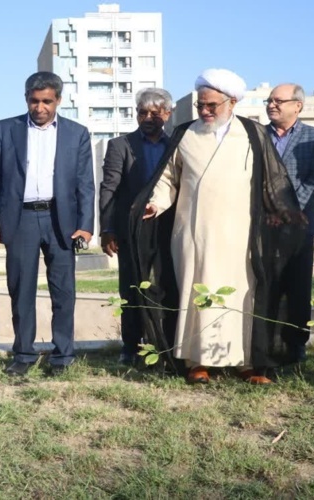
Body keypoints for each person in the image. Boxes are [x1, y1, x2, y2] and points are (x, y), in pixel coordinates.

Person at [133, 68, 305, 385]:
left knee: (241, 294)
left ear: (232, 102)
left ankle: (245, 361)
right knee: (194, 292)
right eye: (201, 104)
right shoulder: (185, 133)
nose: (205, 111)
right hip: (192, 232)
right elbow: (168, 179)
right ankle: (197, 361)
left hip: (240, 234)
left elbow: (273, 182)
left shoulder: (253, 134)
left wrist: (284, 214)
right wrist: (155, 203)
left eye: (212, 105)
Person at [0, 71, 95, 376]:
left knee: (63, 291)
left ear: (58, 100)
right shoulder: (6, 129)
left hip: (61, 221)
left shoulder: (77, 133)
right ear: (26, 99)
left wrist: (86, 225)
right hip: (19, 219)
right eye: (34, 101)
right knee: (21, 289)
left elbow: (85, 183)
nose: (40, 107)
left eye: (47, 101)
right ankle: (23, 353)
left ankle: (63, 355)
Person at [99, 87, 173, 365]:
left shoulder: (177, 143)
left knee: (165, 285)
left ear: (167, 113)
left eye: (156, 112)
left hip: (167, 227)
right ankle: (130, 346)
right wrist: (107, 229)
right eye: (143, 112)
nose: (149, 117)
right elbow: (109, 189)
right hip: (130, 227)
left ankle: (163, 344)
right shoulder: (121, 146)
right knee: (131, 287)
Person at [265, 83, 314, 363]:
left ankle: (295, 345)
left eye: (278, 100)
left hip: (299, 226)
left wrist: (288, 210)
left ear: (297, 105)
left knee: (298, 287)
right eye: (269, 101)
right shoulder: (255, 137)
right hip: (263, 224)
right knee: (265, 285)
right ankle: (264, 343)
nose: (271, 105)